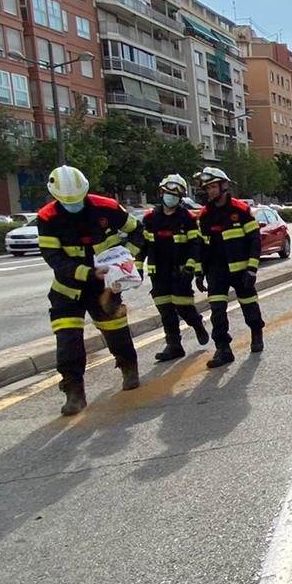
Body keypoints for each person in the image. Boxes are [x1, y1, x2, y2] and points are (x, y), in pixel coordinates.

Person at [36, 166, 144, 416]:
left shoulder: (106, 208)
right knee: (68, 342)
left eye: (78, 200)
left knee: (117, 334)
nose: (74, 205)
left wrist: (128, 263)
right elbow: (54, 257)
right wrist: (87, 273)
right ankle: (74, 392)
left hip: (105, 288)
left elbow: (138, 232)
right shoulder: (48, 217)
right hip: (68, 290)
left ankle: (129, 368)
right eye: (67, 202)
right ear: (56, 197)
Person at [194, 167, 265, 368]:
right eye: (207, 188)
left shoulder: (240, 210)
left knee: (249, 305)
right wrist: (199, 272)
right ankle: (223, 349)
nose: (210, 192)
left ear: (224, 186)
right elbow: (200, 245)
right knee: (217, 311)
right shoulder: (205, 215)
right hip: (216, 272)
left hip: (241, 270)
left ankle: (256, 332)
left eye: (213, 187)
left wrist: (252, 268)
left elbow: (254, 240)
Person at [137, 173, 209, 361]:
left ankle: (197, 325)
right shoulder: (150, 218)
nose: (172, 198)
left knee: (184, 307)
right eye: (169, 193)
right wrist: (137, 267)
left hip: (180, 272)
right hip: (158, 272)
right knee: (166, 311)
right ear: (161, 193)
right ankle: (174, 345)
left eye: (176, 195)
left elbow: (196, 246)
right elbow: (143, 245)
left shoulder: (188, 218)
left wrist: (193, 269)